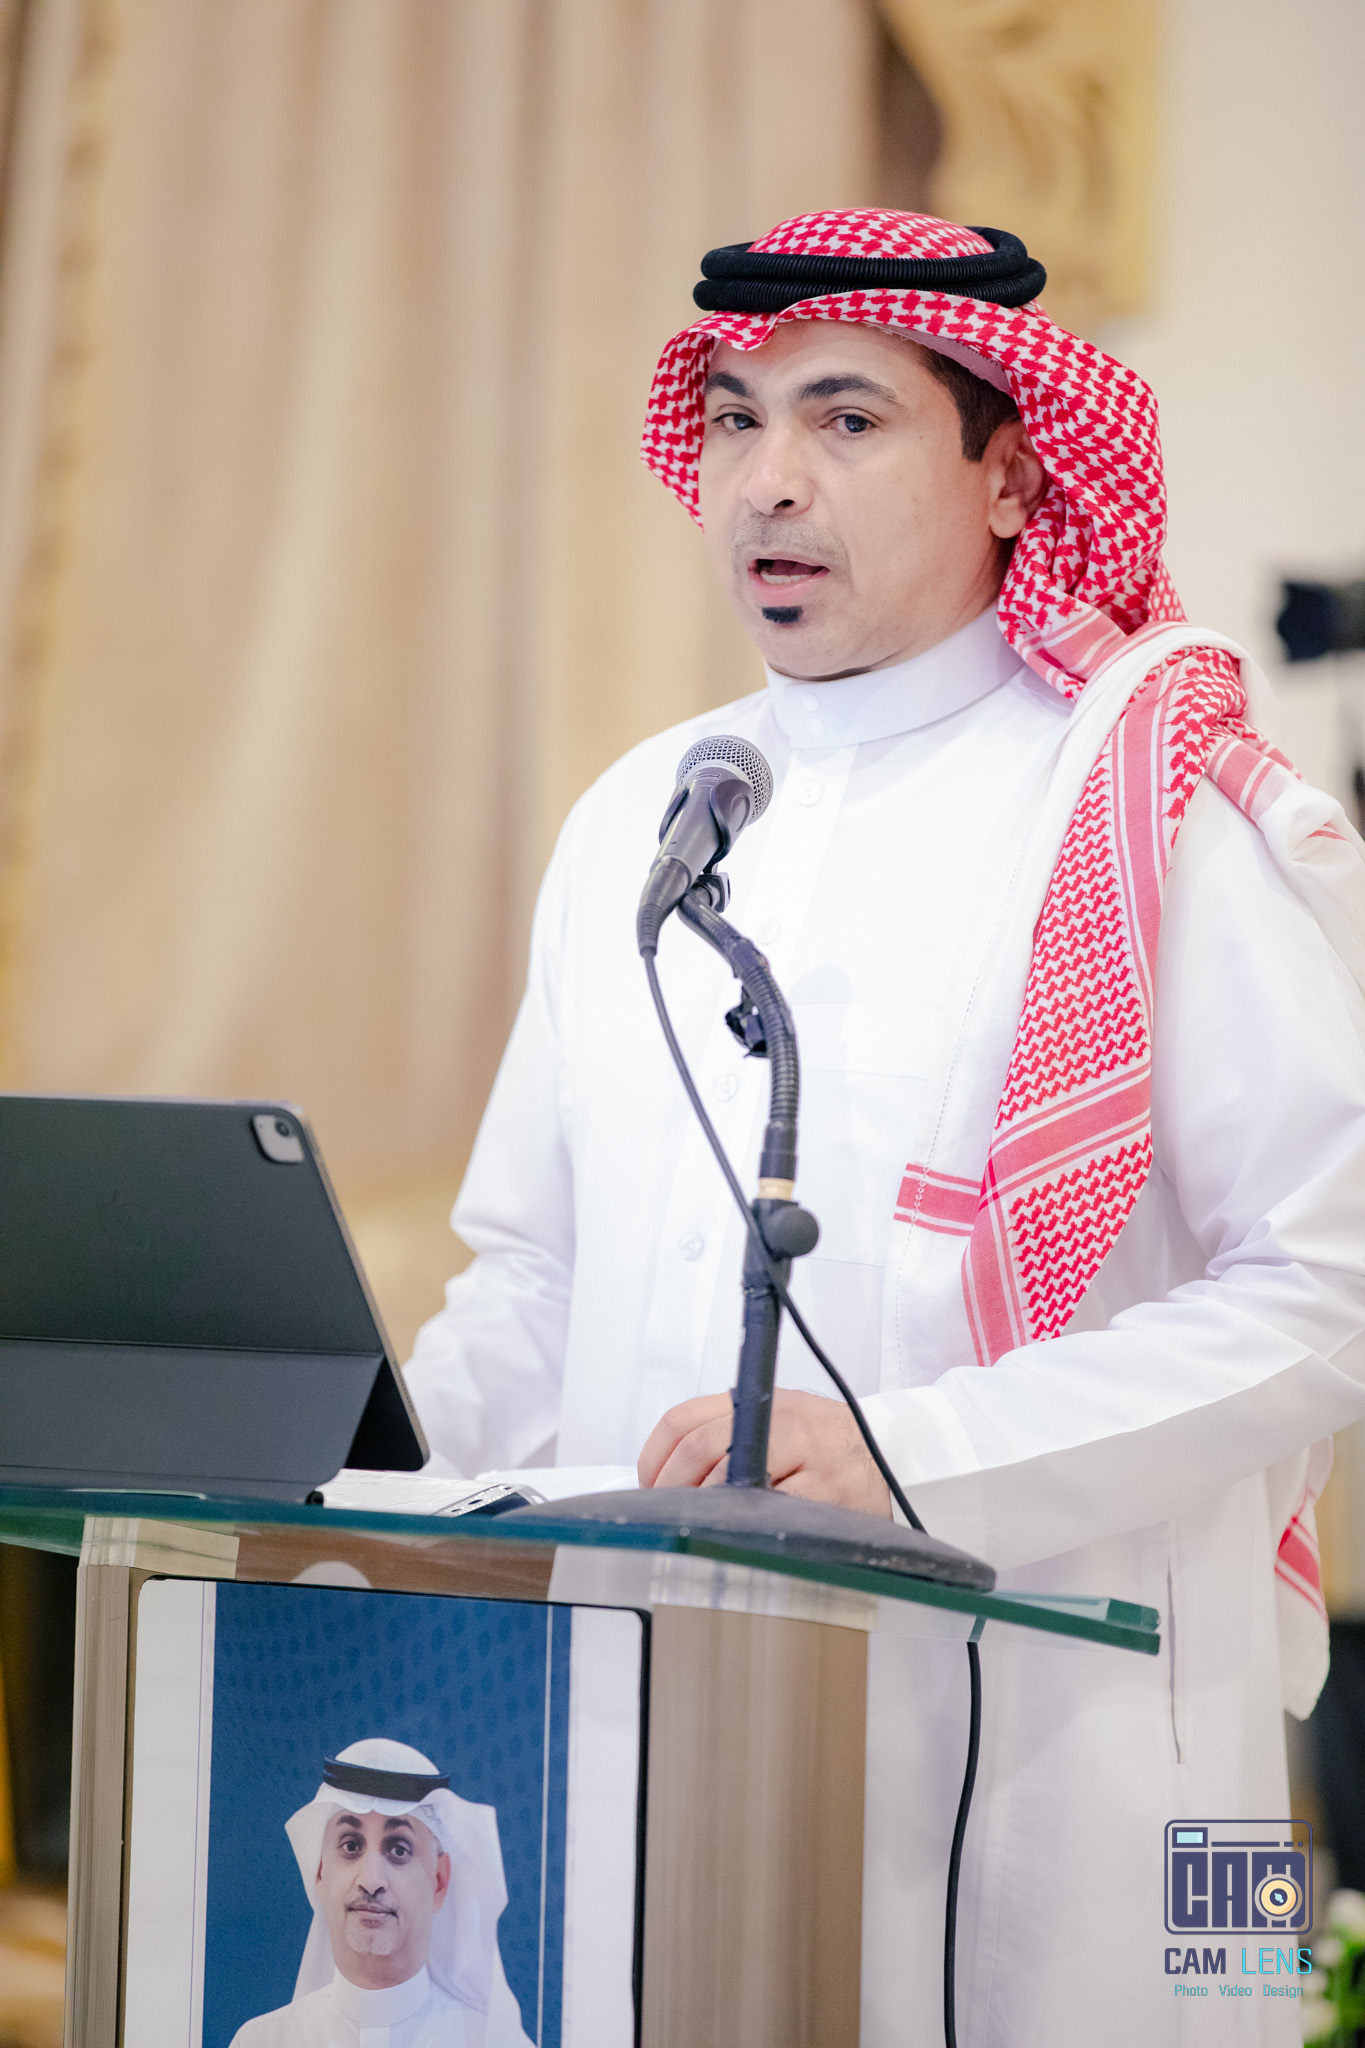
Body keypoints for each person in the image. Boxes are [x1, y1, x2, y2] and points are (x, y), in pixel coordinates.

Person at [405, 210, 1365, 2041]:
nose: (768, 480)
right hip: (668, 1728)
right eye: (737, 418)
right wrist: (355, 1478)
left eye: (846, 420)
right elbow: (532, 1270)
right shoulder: (647, 812)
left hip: (1100, 1755)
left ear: (1013, 473)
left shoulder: (1154, 811)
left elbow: (1328, 1283)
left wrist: (920, 1454)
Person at [229, 1738, 533, 2048]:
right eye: (351, 1845)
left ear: (439, 1881)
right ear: (320, 1872)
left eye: (399, 1849)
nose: (371, 1881)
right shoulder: (259, 2041)